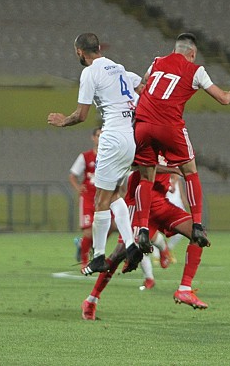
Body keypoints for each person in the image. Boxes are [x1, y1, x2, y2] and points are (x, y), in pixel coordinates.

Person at [132, 32, 230, 253]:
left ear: (175, 49)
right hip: (169, 125)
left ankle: (143, 229)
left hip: (143, 124)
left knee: (146, 178)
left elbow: (142, 86)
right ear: (192, 53)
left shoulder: (157, 62)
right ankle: (197, 226)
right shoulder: (196, 70)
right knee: (191, 172)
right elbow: (223, 99)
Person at [48, 33, 143, 275]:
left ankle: (99, 256)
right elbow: (141, 87)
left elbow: (81, 115)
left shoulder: (90, 72)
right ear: (99, 47)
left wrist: (63, 121)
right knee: (114, 195)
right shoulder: (119, 68)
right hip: (130, 138)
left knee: (101, 200)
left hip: (111, 138)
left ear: (79, 52)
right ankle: (131, 245)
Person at [81, 167, 209, 320]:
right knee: (120, 253)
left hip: (161, 203)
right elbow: (140, 164)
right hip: (138, 204)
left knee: (198, 235)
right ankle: (91, 300)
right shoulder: (146, 150)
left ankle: (184, 288)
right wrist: (174, 169)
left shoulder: (172, 152)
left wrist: (177, 171)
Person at [69, 127, 101, 268]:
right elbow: (72, 175)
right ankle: (84, 262)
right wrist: (79, 189)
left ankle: (83, 245)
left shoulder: (109, 156)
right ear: (93, 138)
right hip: (88, 198)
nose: (101, 138)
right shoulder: (85, 156)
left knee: (104, 229)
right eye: (98, 135)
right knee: (88, 231)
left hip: (103, 199)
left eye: (103, 135)